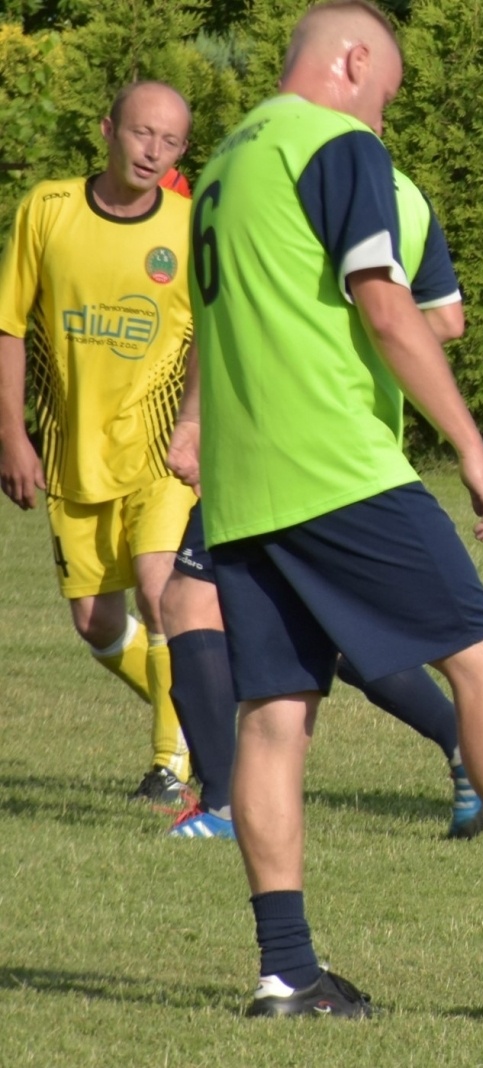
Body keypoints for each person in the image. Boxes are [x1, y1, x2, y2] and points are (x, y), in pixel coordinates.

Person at [186, 0, 483, 1017]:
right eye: (387, 93)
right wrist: (471, 445)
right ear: (352, 61)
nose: (384, 116)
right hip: (337, 468)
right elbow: (384, 302)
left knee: (273, 718)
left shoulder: (228, 164)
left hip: (243, 489)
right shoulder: (338, 146)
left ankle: (288, 974)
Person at [162, 169, 483, 843]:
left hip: (280, 441)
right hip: (331, 448)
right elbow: (445, 318)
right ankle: (462, 738)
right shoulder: (404, 194)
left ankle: (223, 803)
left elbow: (228, 317)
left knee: (192, 600)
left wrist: (203, 412)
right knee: (324, 621)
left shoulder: (281, 179)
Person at [0, 81, 197, 804]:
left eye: (170, 142)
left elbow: (214, 337)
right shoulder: (47, 209)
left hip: (160, 449)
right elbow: (9, 325)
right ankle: (207, 702)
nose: (153, 152)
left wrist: (194, 426)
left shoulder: (189, 226)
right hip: (71, 451)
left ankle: (172, 764)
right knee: (97, 623)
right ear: (108, 129)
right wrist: (11, 434)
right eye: (142, 133)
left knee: (158, 586)